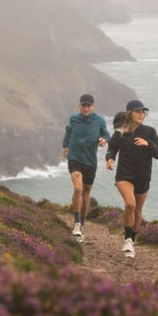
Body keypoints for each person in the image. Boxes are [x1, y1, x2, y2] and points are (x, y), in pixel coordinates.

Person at [106, 99, 158, 258]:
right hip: (124, 175)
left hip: (143, 177)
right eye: (138, 111)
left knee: (138, 211)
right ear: (129, 113)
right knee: (130, 204)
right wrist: (110, 159)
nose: (141, 114)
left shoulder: (150, 132)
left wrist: (148, 144)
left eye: (143, 111)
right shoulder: (120, 132)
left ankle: (132, 240)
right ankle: (128, 241)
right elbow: (112, 147)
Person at [62, 94, 110, 238]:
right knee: (78, 188)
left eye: (88, 105)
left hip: (90, 161)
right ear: (79, 106)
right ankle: (76, 223)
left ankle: (82, 222)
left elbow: (107, 135)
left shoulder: (99, 120)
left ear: (92, 107)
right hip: (75, 159)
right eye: (83, 105)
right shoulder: (74, 119)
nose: (86, 108)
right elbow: (68, 132)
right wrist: (65, 146)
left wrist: (103, 140)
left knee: (86, 192)